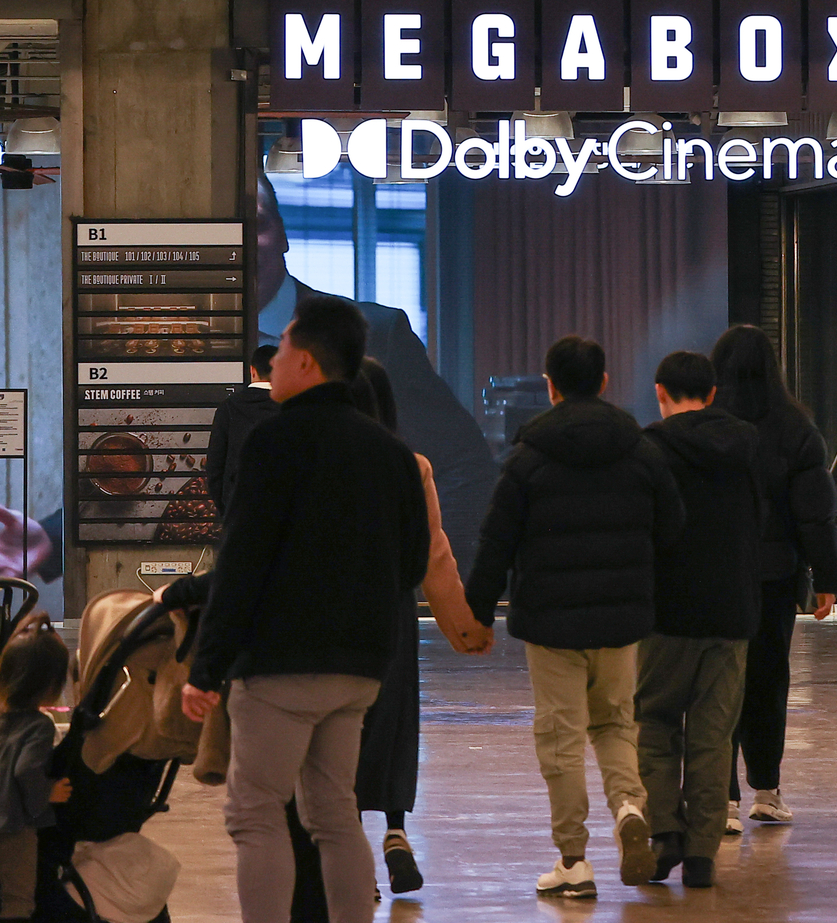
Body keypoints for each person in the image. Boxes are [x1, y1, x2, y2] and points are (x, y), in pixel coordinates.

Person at [180, 295, 431, 923]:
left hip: (280, 665)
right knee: (334, 813)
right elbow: (411, 563)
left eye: (285, 349)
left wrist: (207, 666)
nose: (274, 363)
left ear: (310, 363)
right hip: (360, 669)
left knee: (255, 811)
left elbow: (242, 563)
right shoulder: (392, 454)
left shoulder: (274, 443)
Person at [464, 335, 685, 900]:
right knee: (614, 724)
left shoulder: (528, 456)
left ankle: (573, 861)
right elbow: (673, 529)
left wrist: (477, 615)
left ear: (550, 385)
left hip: (551, 623)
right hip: (620, 621)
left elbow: (495, 542)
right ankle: (631, 808)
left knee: (560, 739)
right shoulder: (640, 450)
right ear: (605, 382)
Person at [256, 173, 496, 553]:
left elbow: (462, 468)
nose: (239, 245)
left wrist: (408, 571)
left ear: (283, 235)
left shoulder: (375, 334)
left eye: (255, 225)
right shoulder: (187, 345)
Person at [348, 356, 490, 895]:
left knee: (341, 727)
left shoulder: (322, 463)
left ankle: (351, 844)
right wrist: (463, 627)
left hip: (333, 615)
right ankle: (397, 832)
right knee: (393, 722)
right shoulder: (414, 465)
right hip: (393, 617)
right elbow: (434, 556)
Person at [635, 351, 762, 890]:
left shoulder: (649, 447)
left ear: (660, 392)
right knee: (713, 733)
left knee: (655, 721)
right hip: (732, 607)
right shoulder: (749, 444)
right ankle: (705, 854)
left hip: (666, 609)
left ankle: (665, 835)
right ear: (712, 394)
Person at [713, 325, 837, 828]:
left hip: (713, 577)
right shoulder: (796, 427)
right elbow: (815, 513)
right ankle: (766, 790)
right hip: (773, 578)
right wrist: (827, 577)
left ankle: (720, 798)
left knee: (715, 683)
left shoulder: (704, 423)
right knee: (767, 681)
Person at [0, 615, 75, 923]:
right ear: (51, 685)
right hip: (13, 832)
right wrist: (48, 793)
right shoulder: (39, 727)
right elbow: (25, 771)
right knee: (18, 901)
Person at [205, 343, 280, 514]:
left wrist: (225, 508)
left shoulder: (229, 407)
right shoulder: (292, 409)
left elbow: (214, 466)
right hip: (281, 513)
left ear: (252, 371)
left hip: (237, 509)